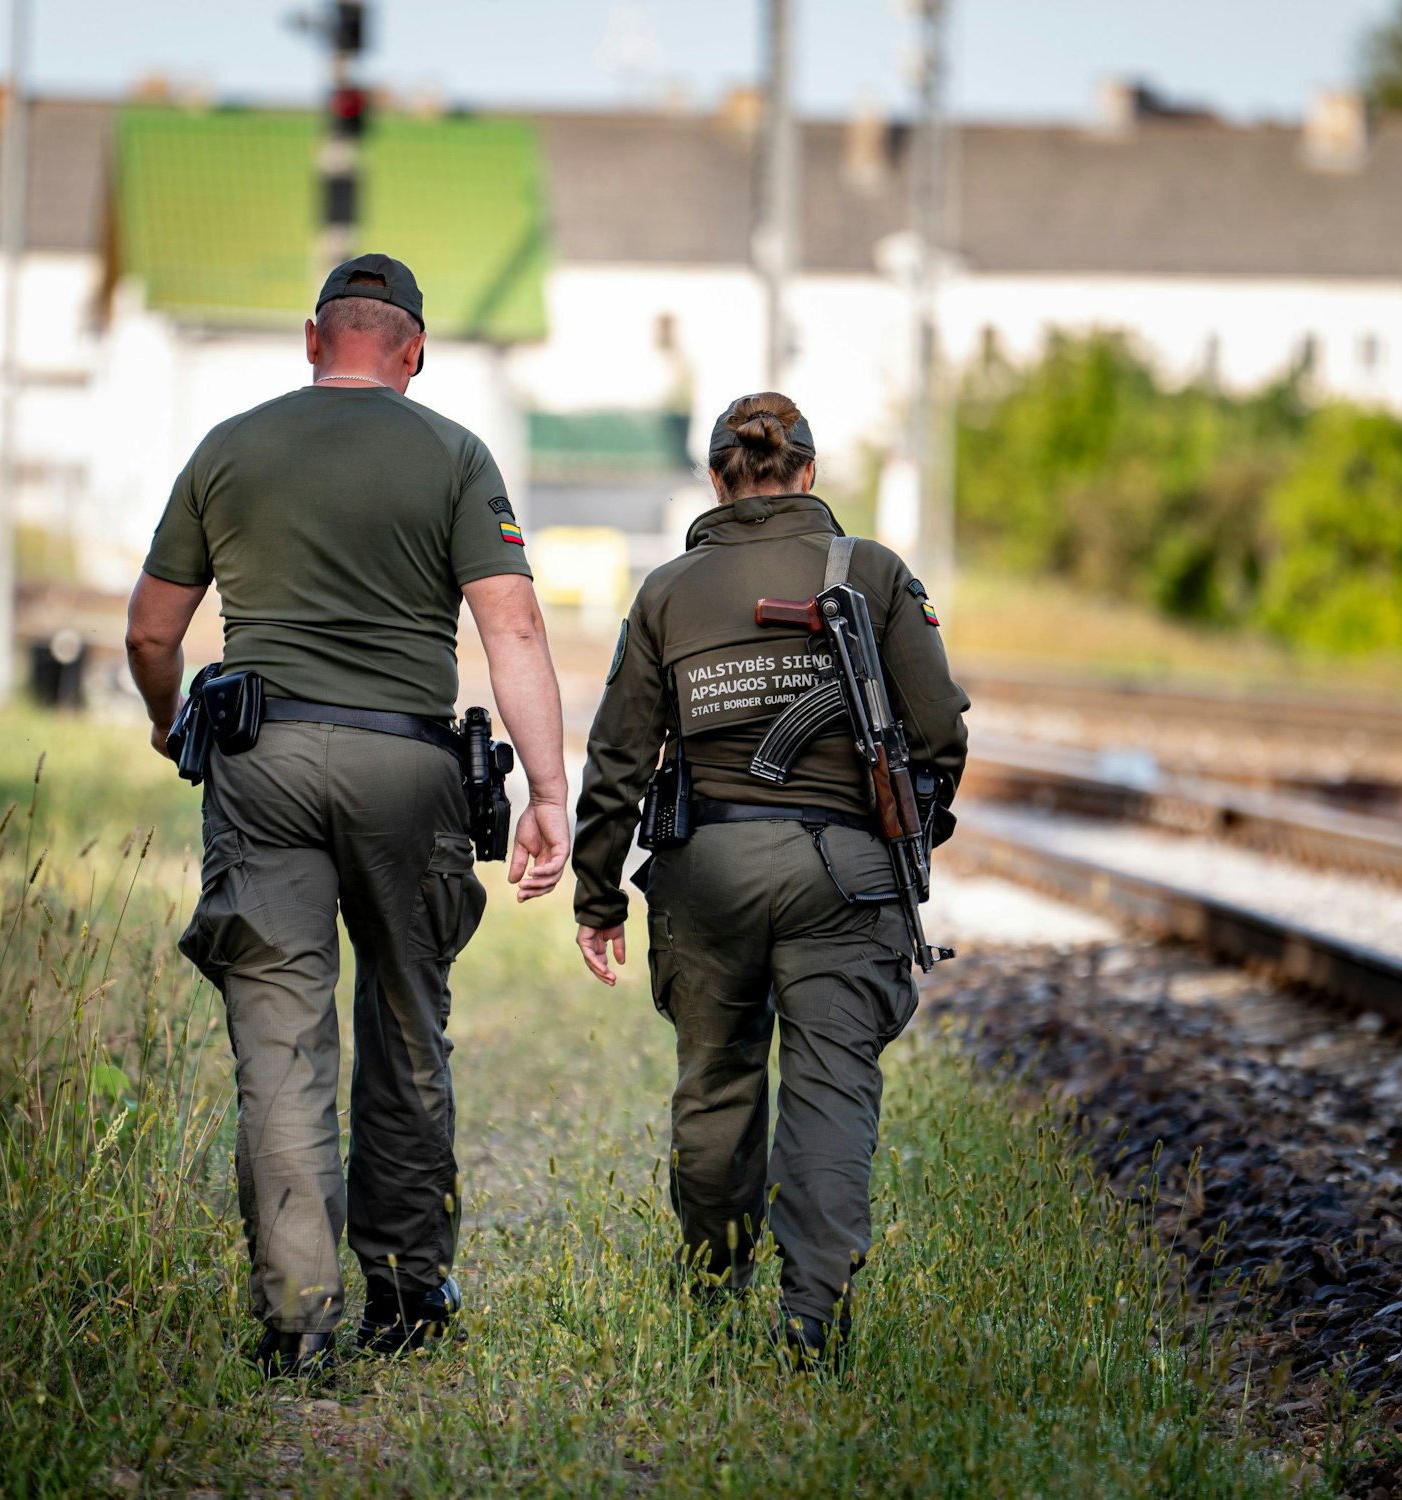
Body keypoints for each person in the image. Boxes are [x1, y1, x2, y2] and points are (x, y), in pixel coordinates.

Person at [124, 253, 570, 1376]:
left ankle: (294, 1317)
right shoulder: (455, 455)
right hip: (404, 767)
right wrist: (548, 789)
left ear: (314, 338)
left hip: (260, 760)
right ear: (411, 354)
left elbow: (146, 631)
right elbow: (510, 627)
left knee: (278, 1038)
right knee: (407, 1023)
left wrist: (172, 719)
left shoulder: (229, 446)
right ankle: (410, 1289)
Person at [570, 391, 968, 1368]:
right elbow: (940, 731)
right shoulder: (871, 573)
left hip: (704, 870)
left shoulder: (665, 591)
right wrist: (910, 822)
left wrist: (597, 891)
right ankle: (811, 1326)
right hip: (843, 877)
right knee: (831, 1093)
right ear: (808, 473)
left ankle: (711, 1292)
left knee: (713, 1084)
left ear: (717, 480)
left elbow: (617, 755)